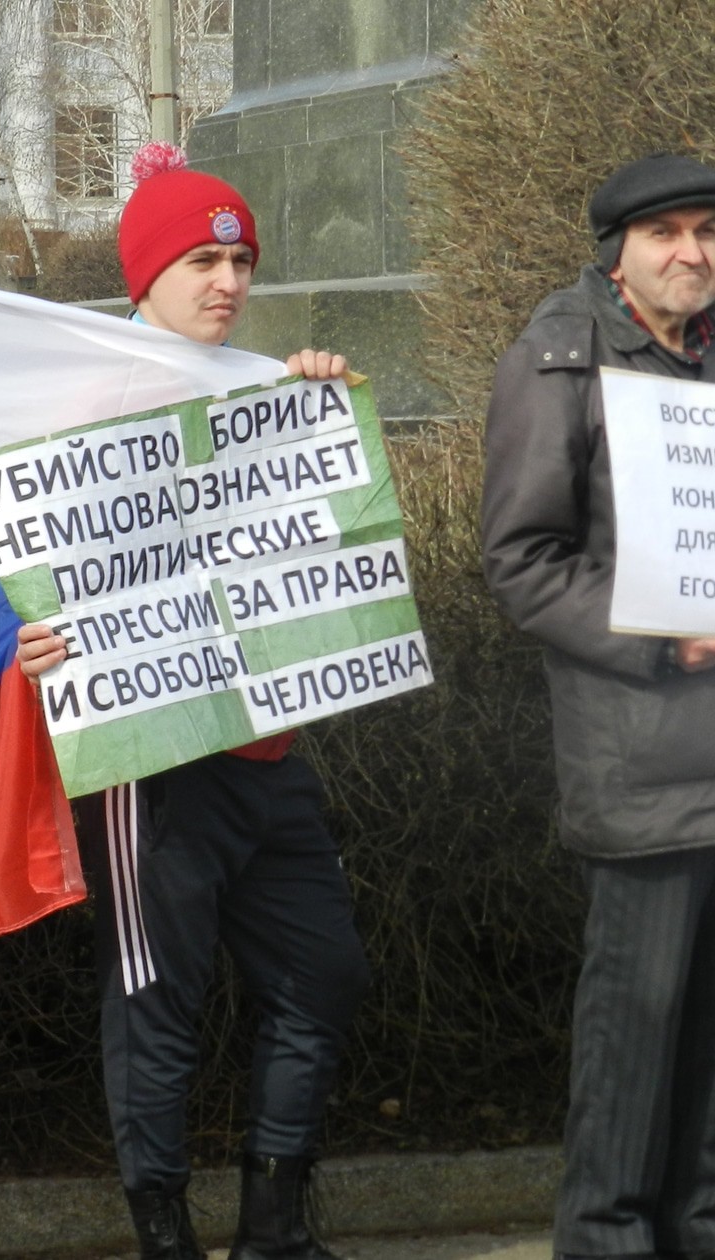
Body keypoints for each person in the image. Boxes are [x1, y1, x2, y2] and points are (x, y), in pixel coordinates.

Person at [13, 144, 366, 1260]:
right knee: (156, 1003)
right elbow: (18, 569)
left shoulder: (267, 391)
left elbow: (328, 541)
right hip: (152, 766)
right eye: (202, 263)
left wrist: (321, 414)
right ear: (146, 276)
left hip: (265, 751)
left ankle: (273, 1228)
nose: (227, 282)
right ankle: (163, 1236)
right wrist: (30, 638)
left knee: (324, 974)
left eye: (241, 262)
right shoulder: (86, 407)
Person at [481, 153, 715, 1260]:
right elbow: (521, 561)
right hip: (642, 765)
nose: (691, 253)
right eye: (664, 234)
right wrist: (661, 634)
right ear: (617, 250)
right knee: (635, 1029)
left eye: (705, 232)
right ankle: (605, 1240)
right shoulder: (558, 357)